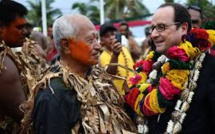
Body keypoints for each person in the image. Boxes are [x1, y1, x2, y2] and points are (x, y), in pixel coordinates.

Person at [21, 14, 136, 134]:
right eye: (90, 40)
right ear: (66, 45)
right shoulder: (54, 94)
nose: (97, 46)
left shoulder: (96, 77)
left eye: (96, 39)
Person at [124, 3, 215, 134]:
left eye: (161, 27)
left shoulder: (210, 67)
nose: (154, 34)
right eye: (152, 28)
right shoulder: (151, 68)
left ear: (183, 28)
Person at [0, 0, 28, 133]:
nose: (25, 32)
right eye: (19, 27)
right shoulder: (4, 65)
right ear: (1, 28)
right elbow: (25, 117)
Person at [99, 23, 135, 95]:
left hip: (135, 91)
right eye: (107, 36)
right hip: (119, 97)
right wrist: (115, 55)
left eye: (113, 34)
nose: (111, 37)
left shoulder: (124, 49)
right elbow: (109, 75)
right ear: (102, 40)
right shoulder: (102, 57)